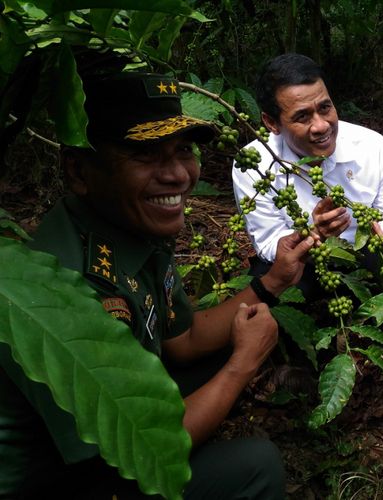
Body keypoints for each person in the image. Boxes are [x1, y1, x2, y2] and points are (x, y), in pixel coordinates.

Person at [0, 70, 315, 498]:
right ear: (79, 171)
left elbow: (181, 340)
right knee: (255, 468)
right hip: (67, 478)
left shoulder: (128, 230)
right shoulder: (66, 291)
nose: (178, 175)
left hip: (104, 436)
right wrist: (243, 364)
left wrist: (273, 281)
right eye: (145, 156)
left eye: (183, 150)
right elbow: (144, 446)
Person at [232, 53, 383, 292]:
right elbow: (269, 243)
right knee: (265, 288)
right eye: (302, 117)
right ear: (272, 123)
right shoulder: (255, 165)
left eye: (325, 108)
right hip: (302, 265)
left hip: (367, 256)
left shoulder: (373, 147)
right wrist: (312, 235)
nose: (321, 125)